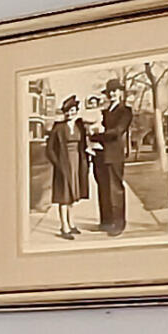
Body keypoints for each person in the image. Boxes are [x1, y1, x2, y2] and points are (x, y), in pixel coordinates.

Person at [43, 95, 90, 240]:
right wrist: (58, 164)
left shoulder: (79, 127)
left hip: (76, 164)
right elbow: (49, 149)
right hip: (64, 165)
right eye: (68, 111)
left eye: (73, 111)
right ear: (64, 113)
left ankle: (71, 223)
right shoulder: (58, 127)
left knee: (72, 196)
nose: (70, 114)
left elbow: (84, 145)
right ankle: (64, 227)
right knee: (63, 196)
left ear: (77, 111)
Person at [92, 92, 134, 235]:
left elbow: (117, 132)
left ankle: (118, 224)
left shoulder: (125, 111)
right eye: (109, 92)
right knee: (103, 189)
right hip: (99, 155)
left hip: (114, 155)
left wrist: (95, 136)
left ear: (120, 92)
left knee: (115, 189)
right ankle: (106, 222)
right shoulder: (104, 111)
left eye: (115, 91)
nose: (112, 94)